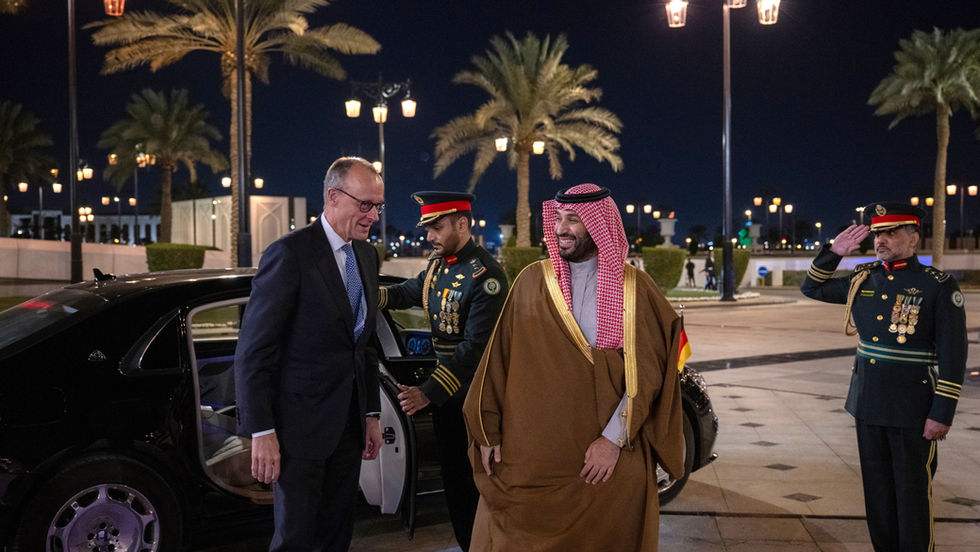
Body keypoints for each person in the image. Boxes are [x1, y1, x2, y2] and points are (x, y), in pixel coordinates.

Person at [462, 183, 685, 551]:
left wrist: (612, 441)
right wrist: (487, 429)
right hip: (532, 456)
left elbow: (649, 375)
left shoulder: (635, 289)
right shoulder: (531, 281)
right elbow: (499, 359)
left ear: (600, 225)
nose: (561, 229)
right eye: (558, 218)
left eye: (574, 220)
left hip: (600, 459)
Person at [234, 156, 385, 551]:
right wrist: (262, 431)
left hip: (348, 430)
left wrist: (370, 414)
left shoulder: (367, 256)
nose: (373, 216)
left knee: (337, 535)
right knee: (295, 539)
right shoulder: (290, 254)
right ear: (333, 196)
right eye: (365, 204)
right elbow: (253, 352)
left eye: (378, 206)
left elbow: (364, 346)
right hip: (297, 434)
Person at [801, 202, 966, 552]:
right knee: (877, 496)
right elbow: (812, 288)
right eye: (878, 233)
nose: (881, 240)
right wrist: (834, 252)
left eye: (891, 232)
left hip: (913, 409)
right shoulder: (864, 278)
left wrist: (942, 412)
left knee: (912, 497)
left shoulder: (936, 285)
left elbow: (954, 355)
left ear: (913, 237)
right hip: (868, 404)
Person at [380, 191, 507, 551]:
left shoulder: (486, 276)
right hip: (448, 394)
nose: (430, 236)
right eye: (428, 228)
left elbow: (473, 350)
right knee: (454, 480)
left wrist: (427, 393)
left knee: (475, 484)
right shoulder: (439, 265)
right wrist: (365, 295)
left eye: (437, 227)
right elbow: (408, 292)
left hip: (476, 396)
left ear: (462, 224)